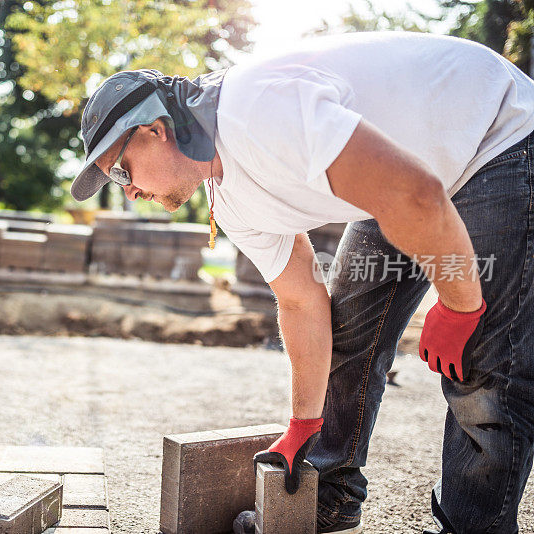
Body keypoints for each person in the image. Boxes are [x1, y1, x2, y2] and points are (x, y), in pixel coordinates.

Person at [69, 31, 534, 533]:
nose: (130, 189)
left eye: (121, 170)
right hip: (397, 173)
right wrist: (303, 424)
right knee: (350, 328)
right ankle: (329, 496)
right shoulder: (229, 202)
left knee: (483, 360)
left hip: (491, 135)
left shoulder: (257, 112)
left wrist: (460, 306)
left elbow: (415, 194)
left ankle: (475, 526)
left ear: (157, 130)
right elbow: (300, 301)